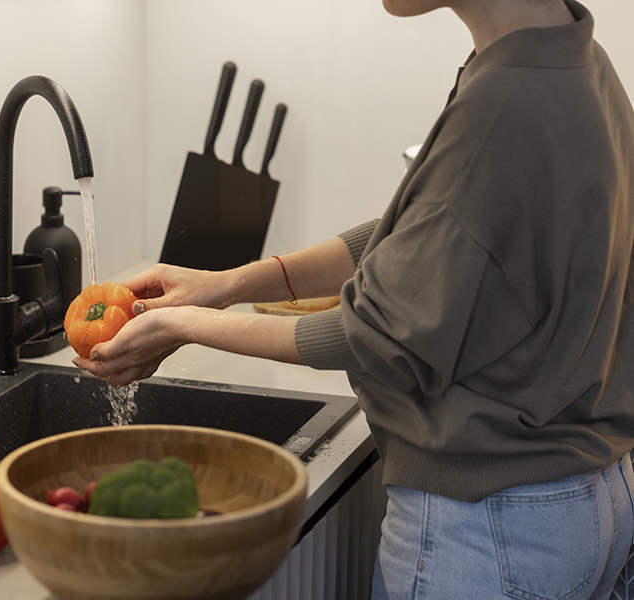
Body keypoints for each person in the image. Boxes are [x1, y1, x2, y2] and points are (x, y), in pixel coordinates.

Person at [74, 0, 634, 597]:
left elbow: (377, 333)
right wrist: (229, 284)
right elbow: (423, 234)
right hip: (581, 498)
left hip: (491, 529)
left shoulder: (504, 103)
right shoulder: (572, 56)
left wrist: (183, 325)